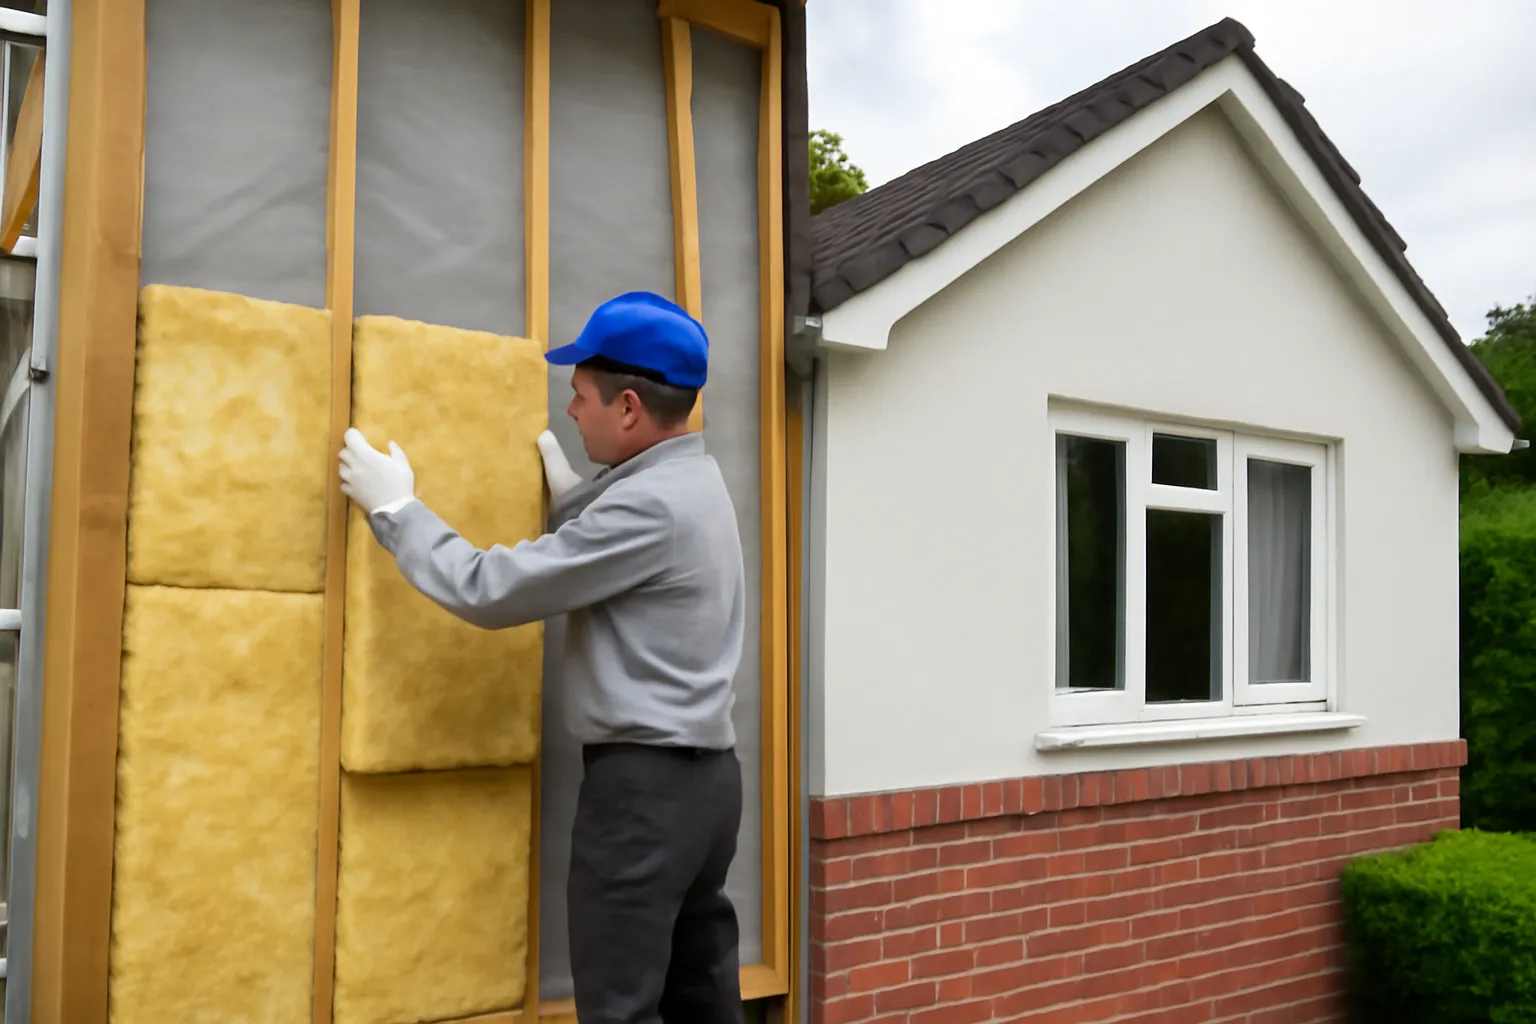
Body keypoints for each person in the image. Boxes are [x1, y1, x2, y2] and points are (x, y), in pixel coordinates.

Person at [337, 291, 747, 1024]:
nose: (568, 409)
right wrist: (576, 505)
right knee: (699, 995)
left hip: (644, 794)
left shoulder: (647, 508)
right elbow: (617, 555)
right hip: (707, 787)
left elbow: (490, 590)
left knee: (620, 1007)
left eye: (580, 395)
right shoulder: (694, 480)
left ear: (627, 407)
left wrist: (397, 511)